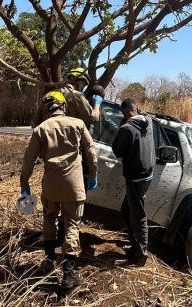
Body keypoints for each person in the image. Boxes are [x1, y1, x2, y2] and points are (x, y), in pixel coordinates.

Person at [19, 91, 98, 289]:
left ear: (46, 109)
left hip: (51, 185)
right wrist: (93, 176)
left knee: (49, 218)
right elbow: (92, 154)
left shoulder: (40, 129)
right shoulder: (78, 124)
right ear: (63, 106)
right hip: (74, 185)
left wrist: (24, 185)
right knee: (72, 223)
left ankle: (49, 262)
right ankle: (69, 273)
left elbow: (28, 161)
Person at [111, 98, 156, 264]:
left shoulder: (127, 129)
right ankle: (135, 243)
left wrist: (120, 126)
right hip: (148, 175)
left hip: (135, 178)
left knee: (138, 215)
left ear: (125, 113)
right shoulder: (148, 122)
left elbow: (117, 151)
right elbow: (141, 112)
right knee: (126, 208)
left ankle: (141, 253)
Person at [31, 67, 102, 128]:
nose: (83, 87)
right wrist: (97, 104)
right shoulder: (77, 96)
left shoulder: (48, 95)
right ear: (78, 81)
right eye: (83, 83)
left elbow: (34, 124)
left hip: (46, 142)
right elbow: (94, 119)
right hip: (68, 143)